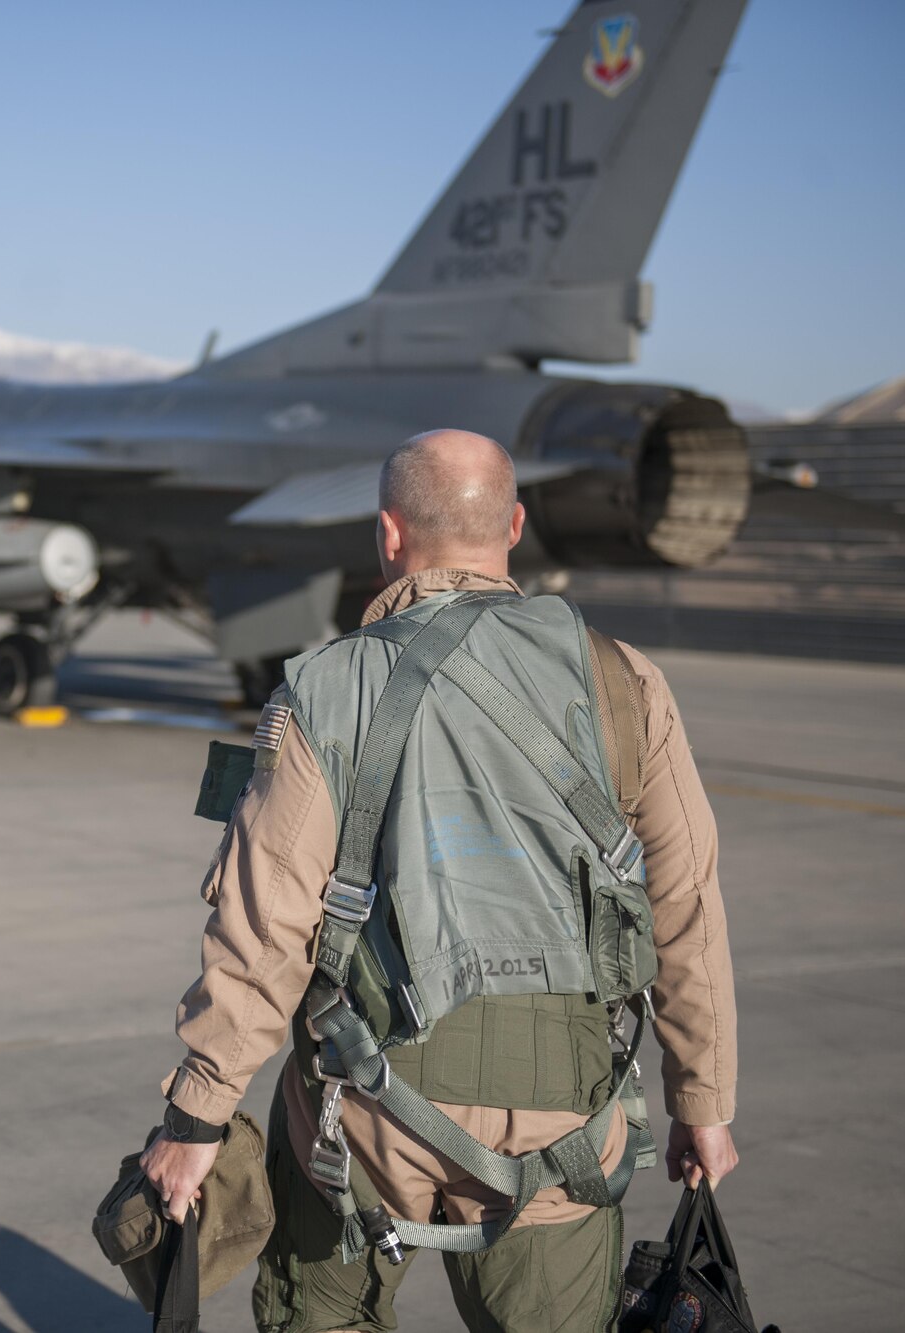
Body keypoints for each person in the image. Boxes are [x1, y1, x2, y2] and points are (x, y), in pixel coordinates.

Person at [140, 430, 739, 1333]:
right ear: (516, 524)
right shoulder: (625, 680)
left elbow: (266, 927)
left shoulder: (327, 687)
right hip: (564, 1121)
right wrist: (703, 1098)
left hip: (364, 1122)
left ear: (388, 533)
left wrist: (197, 1118)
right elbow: (685, 903)